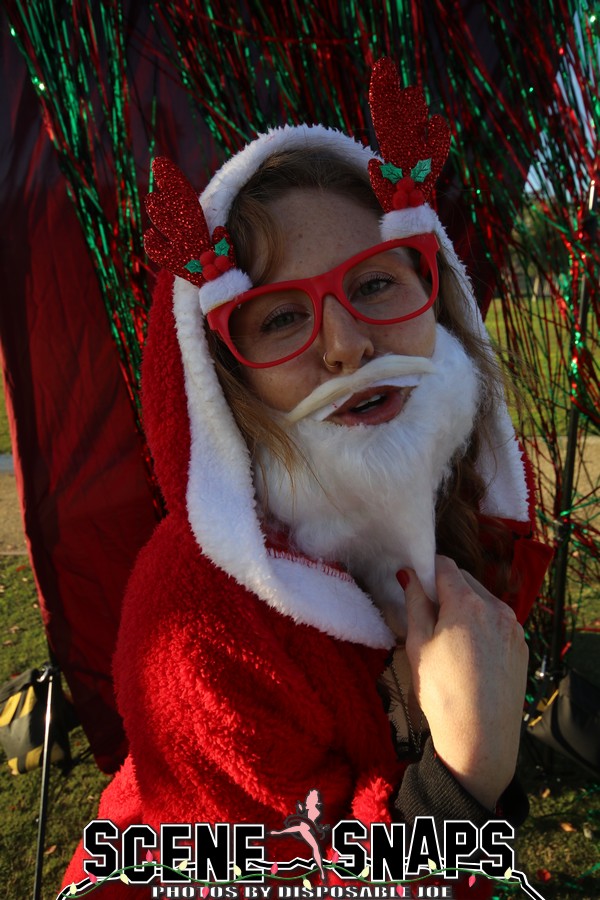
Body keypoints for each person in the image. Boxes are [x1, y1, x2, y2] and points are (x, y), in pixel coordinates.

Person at [62, 58, 552, 898]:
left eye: (373, 285)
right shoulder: (196, 624)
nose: (346, 345)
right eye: (284, 316)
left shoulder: (456, 512)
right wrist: (459, 789)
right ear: (224, 382)